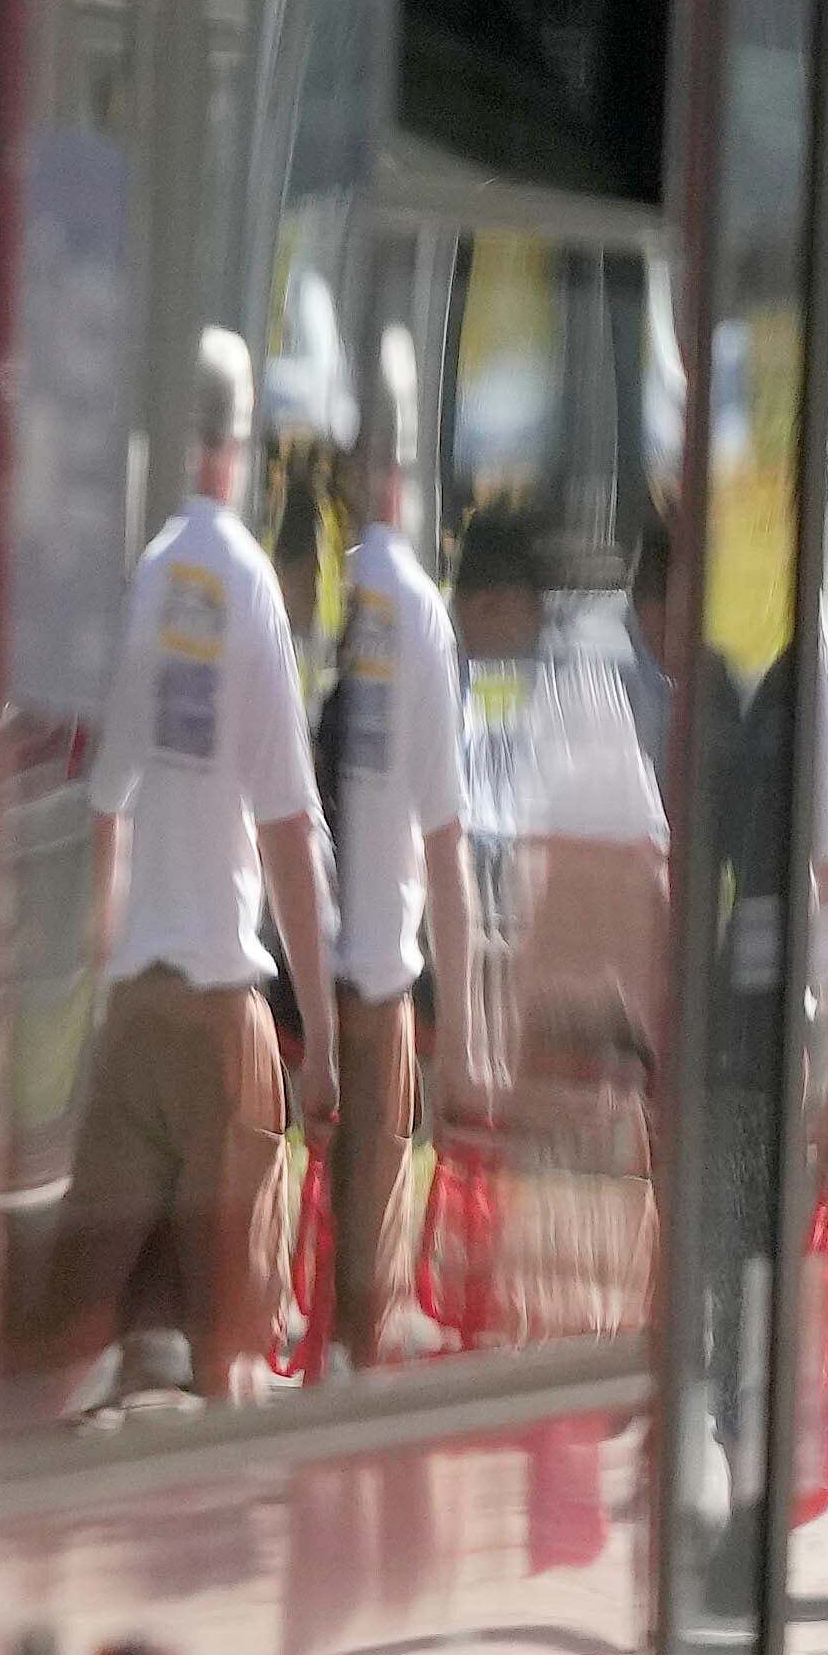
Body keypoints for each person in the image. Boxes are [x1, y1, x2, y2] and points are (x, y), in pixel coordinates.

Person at [31, 334, 338, 1401]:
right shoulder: (249, 586)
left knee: (76, 1332)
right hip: (218, 1019)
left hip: (138, 1015)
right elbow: (288, 830)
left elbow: (105, 798)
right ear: (242, 447)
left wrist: (110, 956)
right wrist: (321, 1040)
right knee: (232, 1348)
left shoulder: (153, 577)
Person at [318, 434, 462, 1363]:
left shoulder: (340, 598)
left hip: (312, 962)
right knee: (369, 1288)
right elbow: (446, 844)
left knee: (331, 1243)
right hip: (376, 976)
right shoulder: (416, 611)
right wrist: (468, 1033)